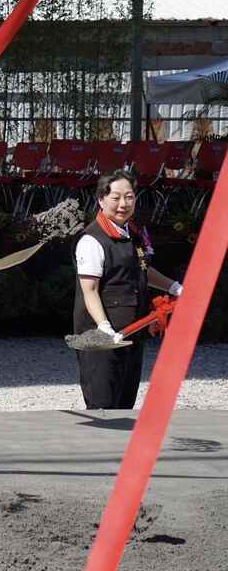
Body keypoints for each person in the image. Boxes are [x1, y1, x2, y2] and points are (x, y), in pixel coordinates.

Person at [73, 170, 183, 409]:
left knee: (124, 405)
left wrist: (175, 287)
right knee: (103, 405)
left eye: (129, 197)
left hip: (132, 333)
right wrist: (103, 327)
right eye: (116, 198)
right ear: (101, 200)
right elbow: (89, 290)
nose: (123, 204)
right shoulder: (92, 240)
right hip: (103, 338)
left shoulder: (133, 233)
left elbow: (143, 270)